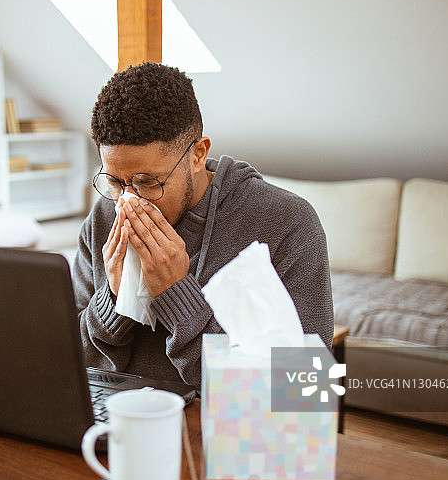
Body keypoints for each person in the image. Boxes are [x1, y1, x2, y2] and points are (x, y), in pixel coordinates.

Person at [72, 62, 333, 386]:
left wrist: (177, 295)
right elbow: (69, 361)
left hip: (222, 433)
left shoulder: (287, 224)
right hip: (117, 422)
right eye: (114, 182)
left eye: (147, 182)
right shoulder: (102, 219)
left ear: (197, 154)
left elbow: (304, 389)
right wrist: (111, 301)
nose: (128, 201)